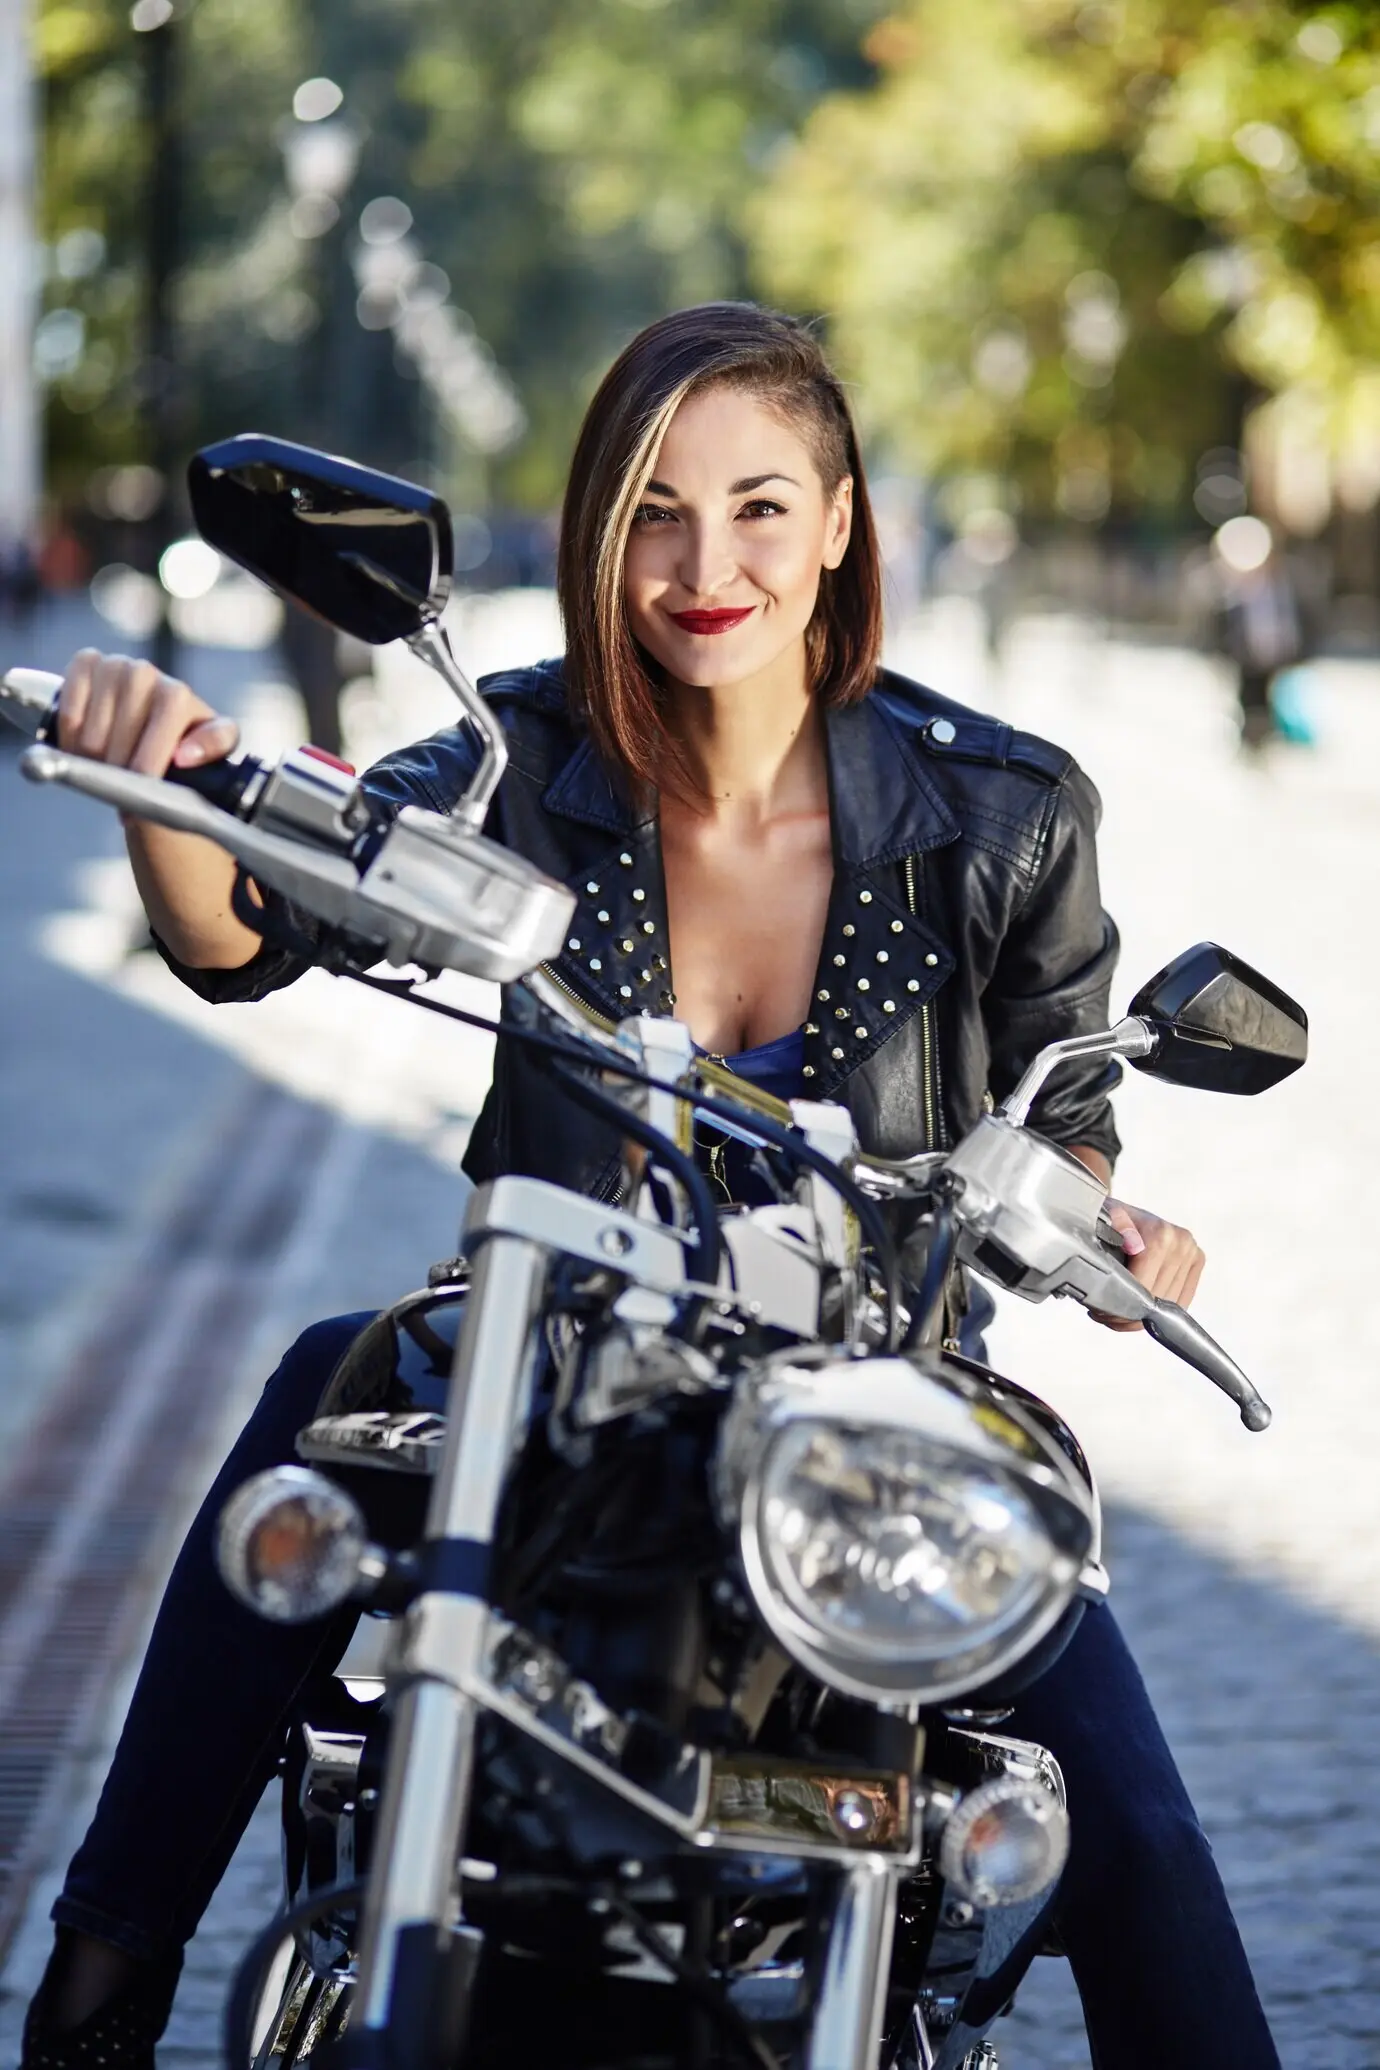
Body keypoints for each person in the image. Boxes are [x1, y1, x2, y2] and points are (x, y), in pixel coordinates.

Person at [21, 304, 1280, 2070]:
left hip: (872, 1425)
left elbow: (1066, 1114)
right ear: (601, 530)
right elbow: (247, 935)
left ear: (838, 521)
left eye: (759, 508)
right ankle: (98, 1978)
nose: (706, 567)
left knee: (1134, 1827)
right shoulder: (512, 760)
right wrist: (165, 783)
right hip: (553, 1385)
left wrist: (1101, 1221)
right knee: (322, 1384)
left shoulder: (1006, 812)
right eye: (657, 515)